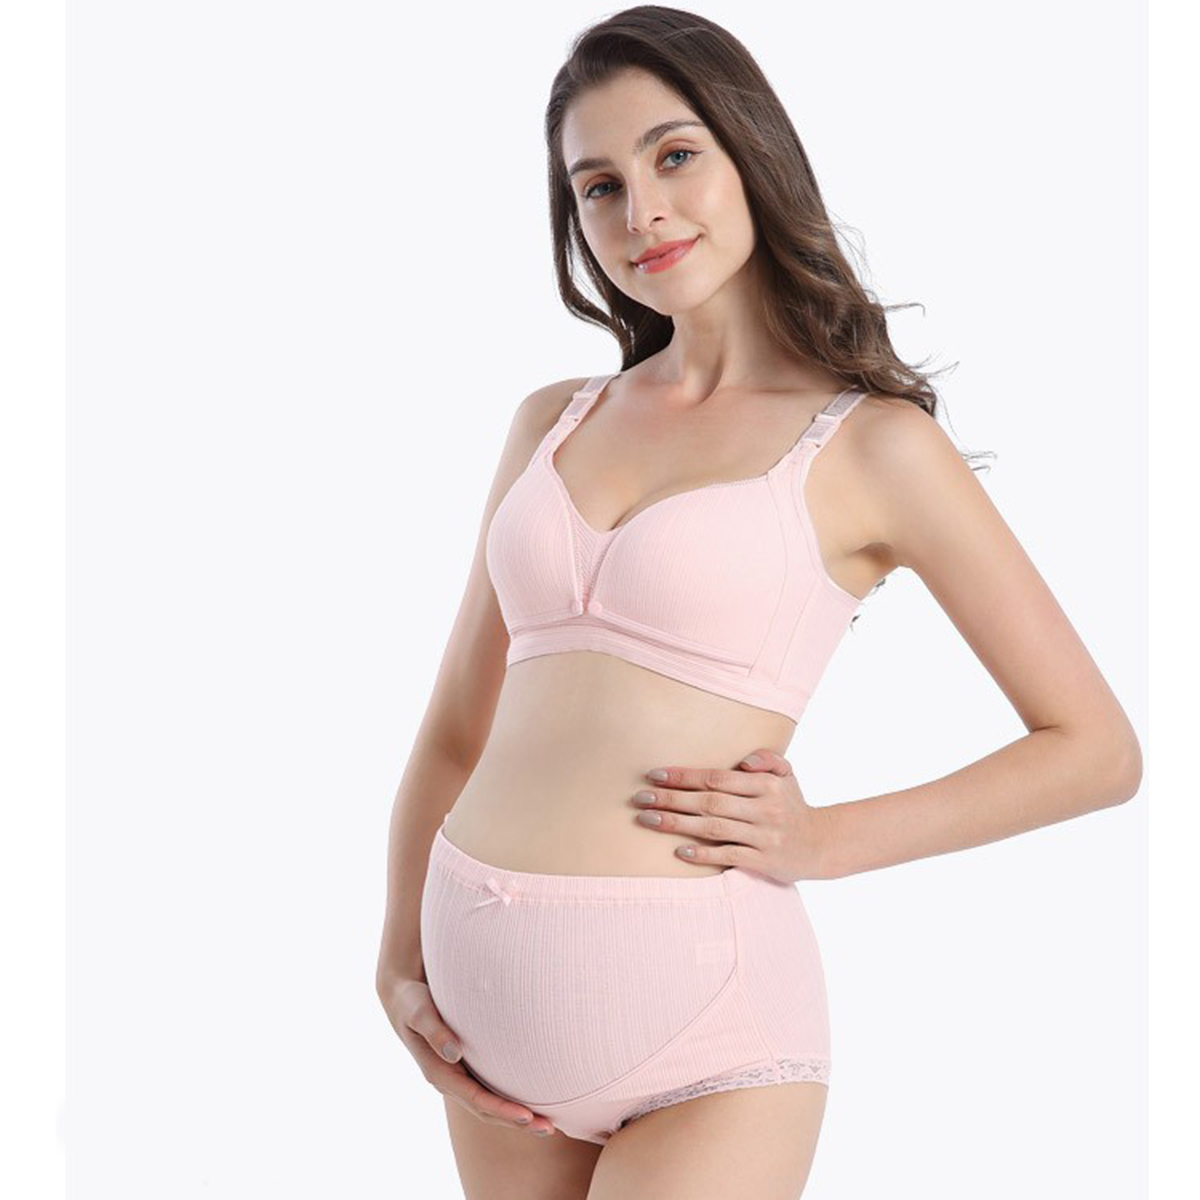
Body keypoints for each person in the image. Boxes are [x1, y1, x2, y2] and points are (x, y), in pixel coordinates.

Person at [375, 8, 1143, 1198]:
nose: (642, 212)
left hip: (706, 1037)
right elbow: (451, 734)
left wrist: (825, 840)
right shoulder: (551, 422)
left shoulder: (874, 448)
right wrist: (398, 957)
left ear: (752, 153)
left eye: (675, 156)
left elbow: (1095, 750)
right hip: (483, 1039)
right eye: (598, 186)